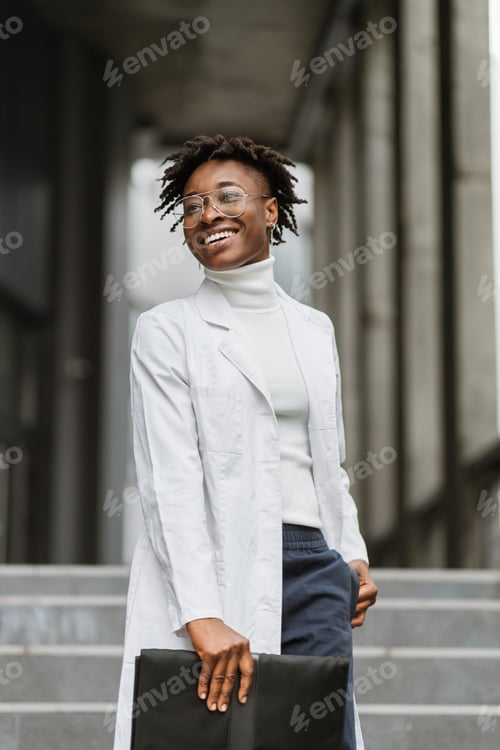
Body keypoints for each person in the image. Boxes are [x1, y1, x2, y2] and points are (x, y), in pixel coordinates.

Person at [113, 134, 377, 750]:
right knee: (214, 736)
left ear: (271, 210)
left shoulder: (314, 330)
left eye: (228, 197)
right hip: (218, 557)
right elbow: (169, 478)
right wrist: (200, 611)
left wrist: (351, 552)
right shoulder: (166, 331)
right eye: (192, 205)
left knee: (317, 738)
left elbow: (325, 459)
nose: (209, 214)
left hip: (315, 565)